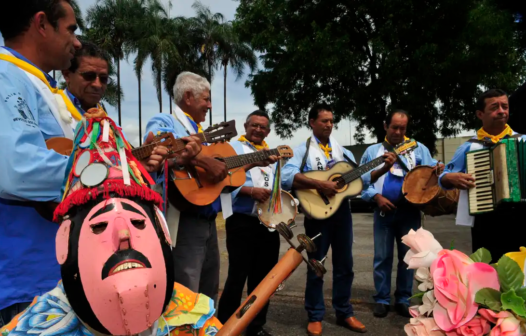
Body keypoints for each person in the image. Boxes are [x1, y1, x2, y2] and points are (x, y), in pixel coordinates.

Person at [0, 115, 220, 336]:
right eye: (99, 226)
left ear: (162, 229)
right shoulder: (32, 328)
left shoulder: (195, 318)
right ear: (64, 242)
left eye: (137, 222)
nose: (123, 233)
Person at [145, 72, 277, 304]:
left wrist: (252, 163)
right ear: (188, 96)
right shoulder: (165, 121)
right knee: (186, 290)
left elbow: (219, 178)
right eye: (205, 99)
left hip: (208, 221)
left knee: (208, 290)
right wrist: (203, 161)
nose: (209, 104)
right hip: (184, 219)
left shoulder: (204, 135)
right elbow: (159, 145)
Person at [0, 0, 82, 326]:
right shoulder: (6, 76)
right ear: (42, 24)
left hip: (50, 271)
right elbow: (18, 169)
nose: (77, 42)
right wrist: (103, 172)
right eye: (71, 29)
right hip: (26, 280)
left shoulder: (34, 83)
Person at [282, 103, 368, 335]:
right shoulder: (303, 150)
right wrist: (321, 184)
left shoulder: (343, 152)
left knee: (345, 265)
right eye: (324, 121)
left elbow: (363, 179)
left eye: (331, 121)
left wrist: (381, 168)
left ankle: (344, 312)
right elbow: (287, 176)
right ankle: (315, 315)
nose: (329, 124)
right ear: (312, 122)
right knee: (316, 266)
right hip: (317, 215)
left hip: (342, 214)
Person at [360, 110, 441, 319]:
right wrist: (376, 197)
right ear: (385, 126)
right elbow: (361, 182)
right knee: (381, 257)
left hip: (410, 212)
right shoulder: (372, 152)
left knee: (409, 259)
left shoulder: (418, 149)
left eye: (402, 128)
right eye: (394, 127)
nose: (397, 132)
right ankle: (382, 299)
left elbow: (431, 172)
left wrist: (439, 169)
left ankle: (403, 299)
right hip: (383, 213)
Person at [439, 89, 526, 263]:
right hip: (485, 220)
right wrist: (449, 178)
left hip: (521, 218)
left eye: (505, 106)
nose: (501, 111)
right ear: (480, 114)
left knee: (521, 272)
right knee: (487, 271)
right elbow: (444, 176)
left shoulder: (522, 141)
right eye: (495, 107)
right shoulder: (469, 147)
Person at [217, 110, 280, 336]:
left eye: (263, 127)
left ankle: (256, 326)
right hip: (241, 222)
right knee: (237, 276)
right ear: (246, 126)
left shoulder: (271, 154)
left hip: (268, 224)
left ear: (268, 131)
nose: (258, 130)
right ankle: (224, 325)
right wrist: (250, 191)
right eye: (254, 125)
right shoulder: (234, 149)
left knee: (263, 282)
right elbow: (225, 182)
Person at [61, 40, 110, 114]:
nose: (98, 85)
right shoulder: (47, 109)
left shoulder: (110, 124)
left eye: (103, 78)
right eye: (89, 76)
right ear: (67, 75)